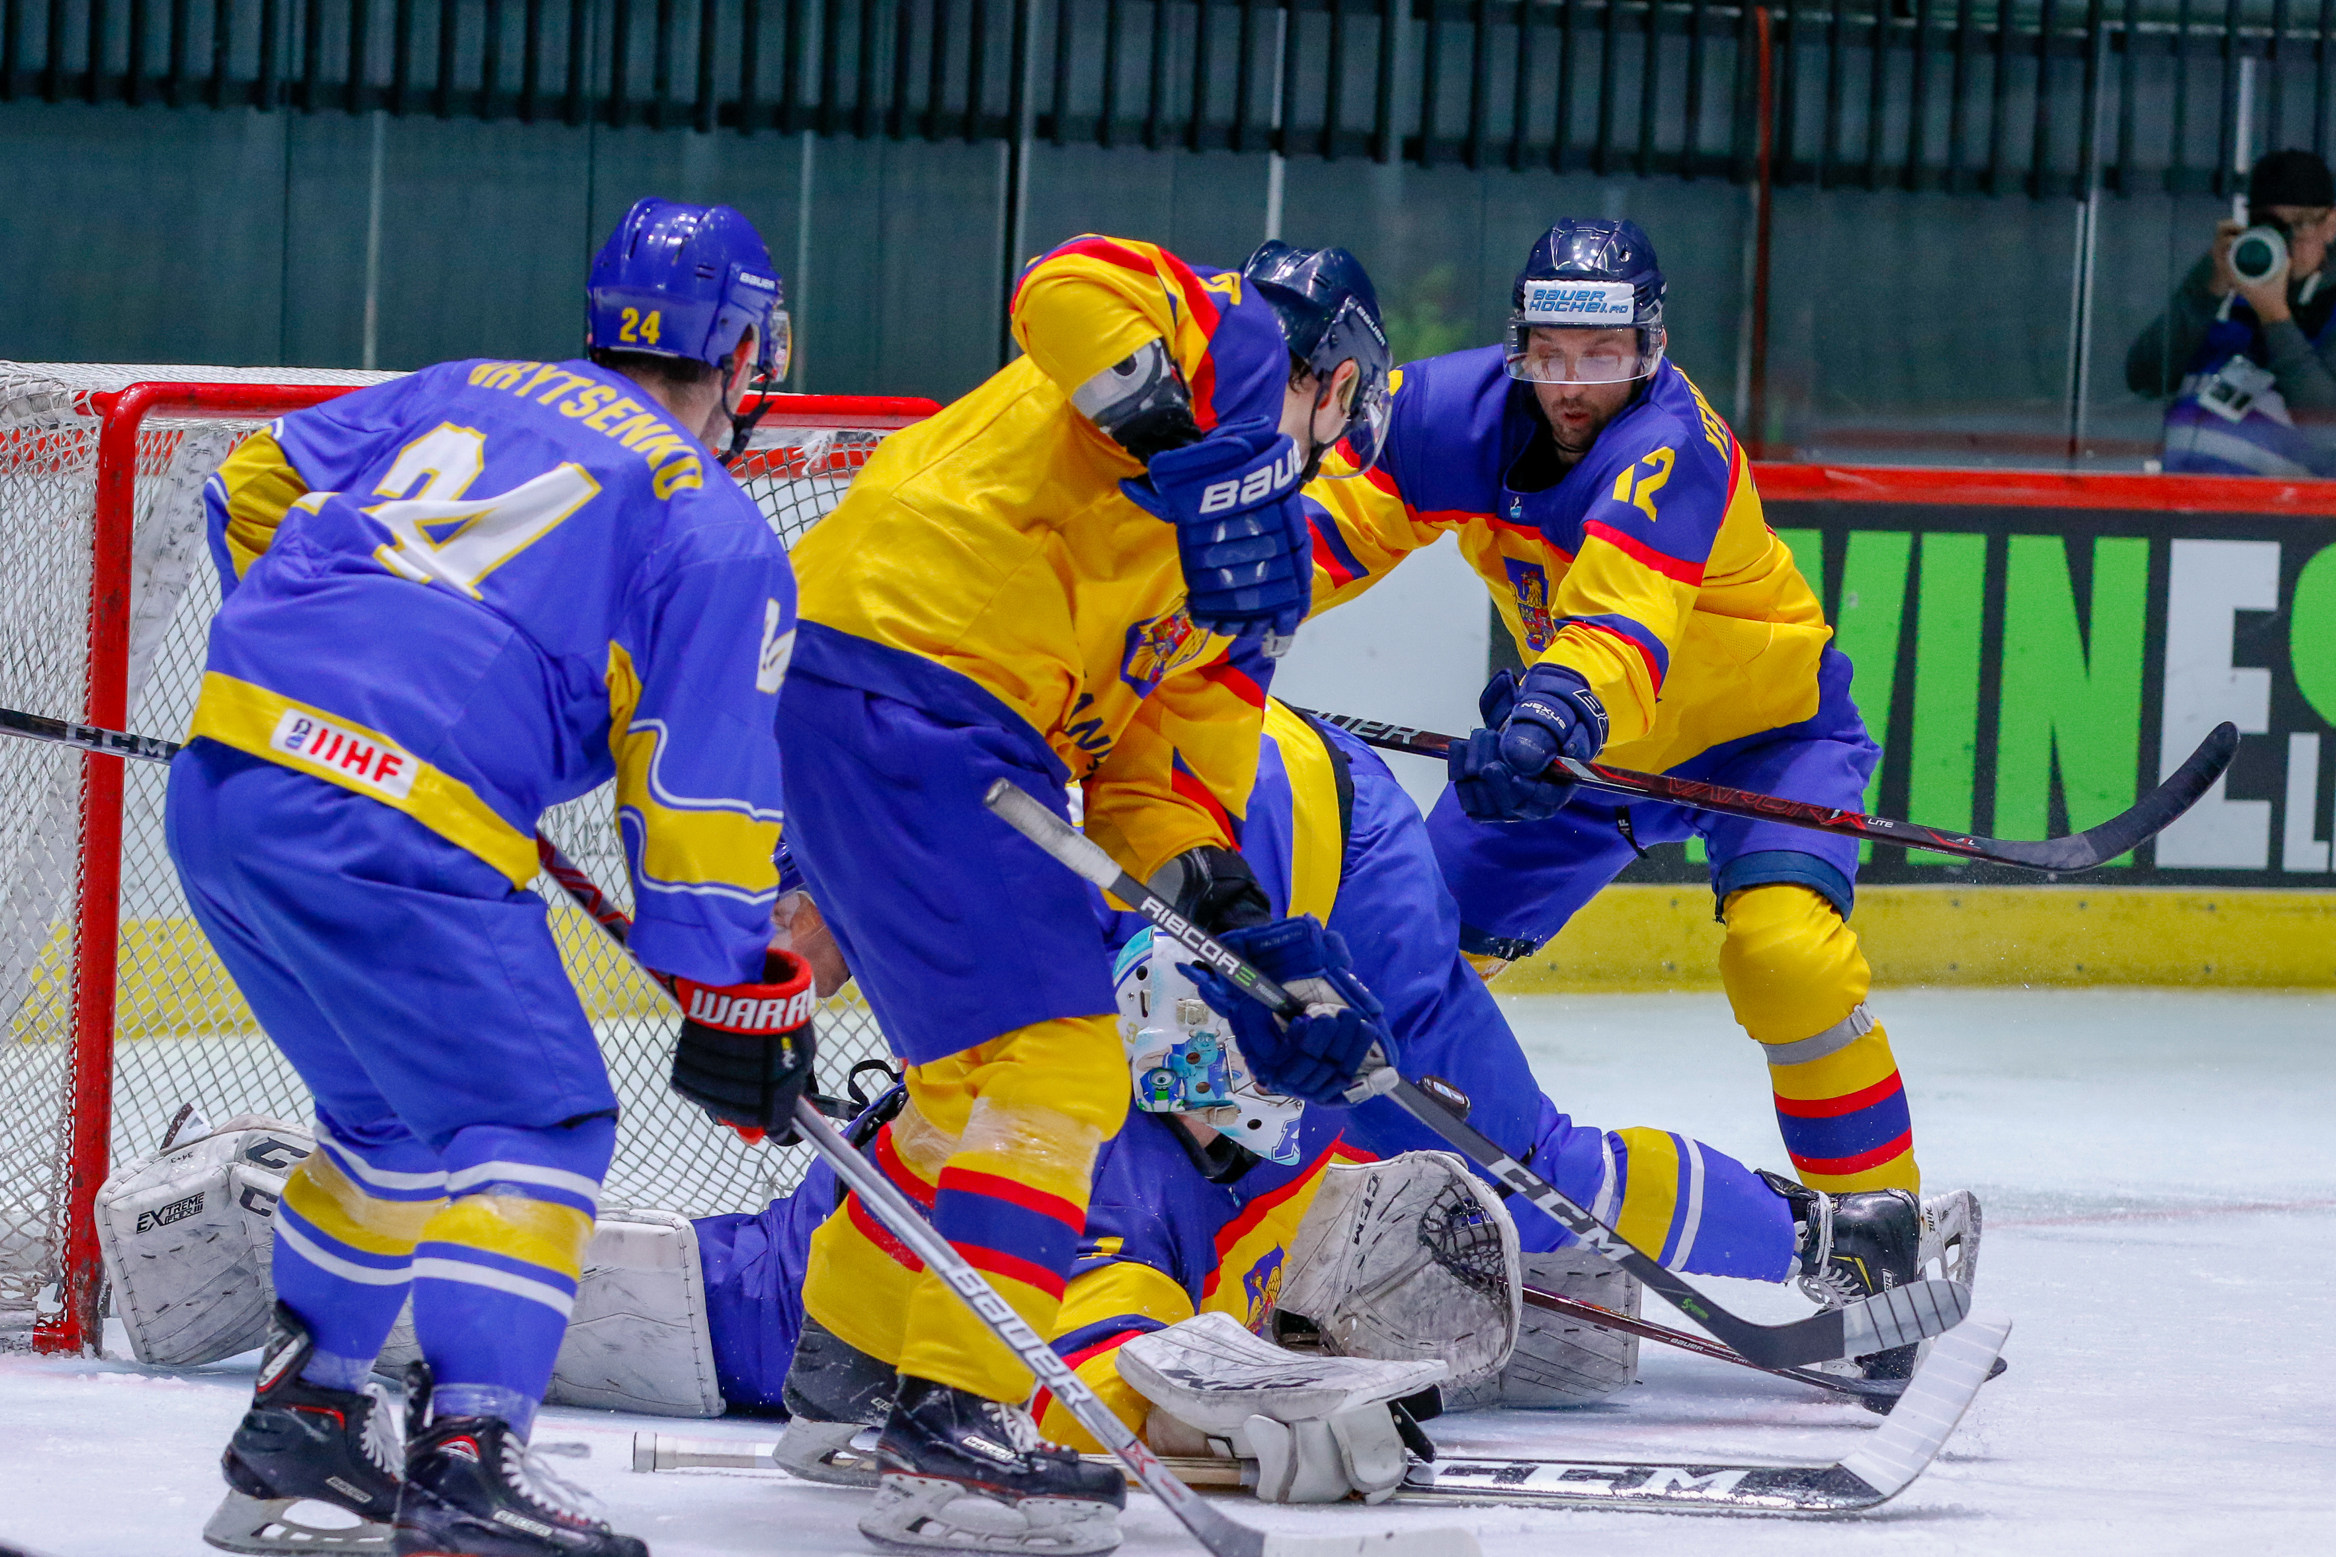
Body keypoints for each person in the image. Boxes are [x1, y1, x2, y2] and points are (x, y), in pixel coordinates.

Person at [172, 197, 815, 1557]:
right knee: (540, 1120)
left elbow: (250, 484)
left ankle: (312, 1416)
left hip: (227, 785)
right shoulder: (712, 525)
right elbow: (697, 800)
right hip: (385, 826)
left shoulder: (461, 385)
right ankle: (473, 1454)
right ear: (748, 356)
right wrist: (731, 990)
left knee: (394, 1126)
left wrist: (335, 673)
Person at [773, 233, 1391, 1554]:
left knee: (970, 1083)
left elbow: (1153, 796)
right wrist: (1206, 456)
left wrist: (1251, 943)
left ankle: (848, 1361)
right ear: (1339, 384)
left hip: (907, 701)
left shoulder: (1247, 581)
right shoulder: (1216, 332)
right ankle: (960, 1427)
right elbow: (1061, 284)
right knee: (1062, 1073)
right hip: (916, 657)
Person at [1295, 219, 1931, 1383]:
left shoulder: (1670, 443)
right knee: (1395, 966)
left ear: (1649, 348)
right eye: (1549, 352)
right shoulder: (1443, 415)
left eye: (1600, 355)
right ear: (1516, 344)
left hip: (1756, 744)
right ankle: (1358, 1221)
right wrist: (1196, 630)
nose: (1573, 382)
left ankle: (1884, 1250)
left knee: (1786, 959)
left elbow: (1619, 630)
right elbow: (1323, 538)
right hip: (1580, 762)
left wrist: (1543, 718)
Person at [2127, 148, 2336, 477]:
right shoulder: (2224, 281)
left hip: (2275, 516)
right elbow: (2145, 376)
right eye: (2271, 225)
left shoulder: (2331, 308)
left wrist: (2275, 318)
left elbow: (2327, 427)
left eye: (2301, 224)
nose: (2288, 240)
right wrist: (2206, 290)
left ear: (2331, 224)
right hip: (2176, 503)